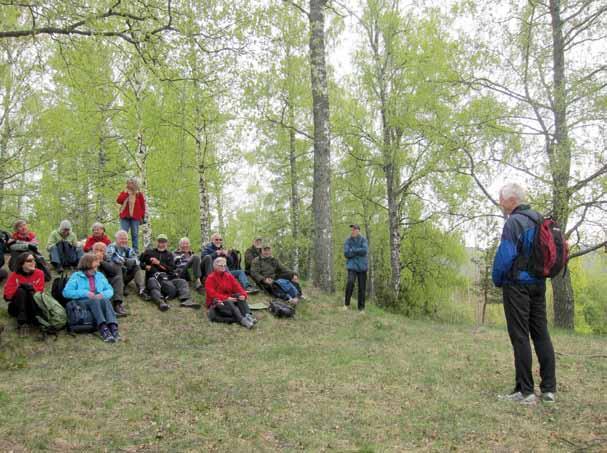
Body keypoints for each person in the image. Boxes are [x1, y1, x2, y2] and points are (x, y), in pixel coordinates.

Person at [492, 182, 556, 405]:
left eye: (501, 198)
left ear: (512, 200)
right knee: (541, 334)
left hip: (517, 286)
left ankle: (525, 391)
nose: (500, 203)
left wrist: (497, 278)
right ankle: (549, 390)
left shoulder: (514, 223)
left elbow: (505, 256)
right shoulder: (538, 218)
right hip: (539, 285)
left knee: (520, 336)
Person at [63, 253, 120, 342]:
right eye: (93, 268)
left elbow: (110, 290)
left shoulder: (99, 275)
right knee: (95, 300)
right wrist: (85, 293)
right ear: (86, 266)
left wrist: (102, 294)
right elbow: (66, 293)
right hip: (82, 302)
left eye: (96, 267)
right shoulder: (76, 276)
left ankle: (113, 328)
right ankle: (103, 328)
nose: (95, 270)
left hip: (98, 300)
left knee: (105, 300)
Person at [140, 234, 199, 311]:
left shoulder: (169, 254)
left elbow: (171, 269)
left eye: (164, 242)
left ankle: (186, 300)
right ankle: (161, 302)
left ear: (167, 243)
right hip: (154, 279)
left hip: (167, 279)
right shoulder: (149, 252)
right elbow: (140, 262)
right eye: (160, 241)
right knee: (151, 281)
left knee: (182, 281)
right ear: (156, 242)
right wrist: (145, 266)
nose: (162, 244)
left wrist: (158, 263)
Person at [205, 257, 255, 328]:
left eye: (224, 265)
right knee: (227, 301)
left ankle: (248, 316)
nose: (223, 267)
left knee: (239, 295)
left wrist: (244, 295)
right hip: (216, 301)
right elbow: (212, 294)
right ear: (215, 266)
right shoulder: (210, 278)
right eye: (220, 265)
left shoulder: (229, 276)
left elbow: (238, 287)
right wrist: (227, 298)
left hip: (229, 299)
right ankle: (242, 320)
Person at [3, 252, 45, 333]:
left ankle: (32, 318)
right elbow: (7, 296)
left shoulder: (40, 273)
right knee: (21, 290)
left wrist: (31, 287)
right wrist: (19, 286)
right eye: (29, 260)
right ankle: (23, 321)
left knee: (30, 291)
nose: (33, 262)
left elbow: (40, 293)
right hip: (18, 307)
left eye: (34, 260)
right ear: (22, 264)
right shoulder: (14, 275)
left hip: (33, 305)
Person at [106, 230, 146, 299]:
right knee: (119, 265)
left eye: (125, 239)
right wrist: (126, 261)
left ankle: (141, 289)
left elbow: (136, 260)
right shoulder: (111, 247)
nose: (124, 241)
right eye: (121, 239)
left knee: (136, 266)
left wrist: (126, 261)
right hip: (114, 276)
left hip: (125, 273)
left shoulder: (128, 248)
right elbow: (111, 258)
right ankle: (121, 287)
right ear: (116, 239)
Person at [92, 242, 128, 317]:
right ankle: (109, 308)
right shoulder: (88, 258)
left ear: (104, 252)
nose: (99, 252)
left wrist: (102, 262)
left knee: (118, 278)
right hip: (93, 283)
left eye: (101, 250)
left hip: (107, 281)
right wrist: (95, 262)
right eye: (96, 250)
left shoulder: (108, 258)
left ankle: (117, 304)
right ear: (93, 250)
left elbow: (113, 270)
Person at [116, 177, 146, 254]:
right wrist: (126, 193)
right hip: (124, 216)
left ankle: (135, 251)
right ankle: (122, 250)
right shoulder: (125, 192)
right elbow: (119, 200)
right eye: (128, 183)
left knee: (135, 234)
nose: (129, 185)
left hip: (135, 217)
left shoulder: (139, 194)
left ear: (135, 184)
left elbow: (143, 206)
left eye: (131, 183)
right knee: (123, 233)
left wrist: (142, 217)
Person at [344, 224, 368, 312]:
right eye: (352, 230)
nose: (352, 231)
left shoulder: (363, 239)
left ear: (358, 231)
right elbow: (346, 253)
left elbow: (365, 251)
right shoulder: (348, 240)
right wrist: (358, 251)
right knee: (350, 282)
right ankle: (346, 304)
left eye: (354, 230)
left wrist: (353, 250)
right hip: (352, 266)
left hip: (362, 267)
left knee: (362, 288)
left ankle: (361, 309)